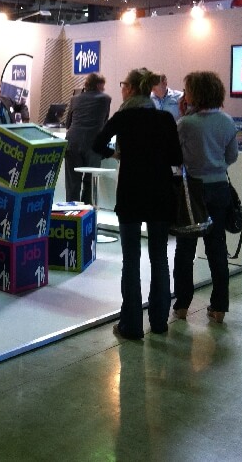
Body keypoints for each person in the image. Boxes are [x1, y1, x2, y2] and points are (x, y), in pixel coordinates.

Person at [92, 68, 183, 339]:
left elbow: (97, 144)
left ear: (130, 88)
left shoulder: (123, 117)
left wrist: (116, 153)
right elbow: (176, 158)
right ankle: (159, 322)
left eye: (123, 84)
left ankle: (131, 325)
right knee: (159, 257)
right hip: (160, 194)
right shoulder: (165, 118)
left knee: (131, 259)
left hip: (130, 194)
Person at [172, 71, 239, 323]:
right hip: (219, 187)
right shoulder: (227, 121)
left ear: (195, 93)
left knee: (185, 248)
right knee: (217, 247)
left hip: (192, 190)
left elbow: (175, 156)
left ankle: (182, 305)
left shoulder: (186, 124)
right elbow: (231, 156)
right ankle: (219, 306)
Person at [64, 73, 111, 203]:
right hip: (94, 145)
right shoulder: (105, 99)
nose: (104, 89)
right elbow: (105, 122)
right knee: (90, 182)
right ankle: (87, 211)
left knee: (72, 183)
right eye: (103, 86)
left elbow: (67, 123)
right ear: (98, 85)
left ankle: (72, 212)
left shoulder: (74, 99)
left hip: (72, 143)